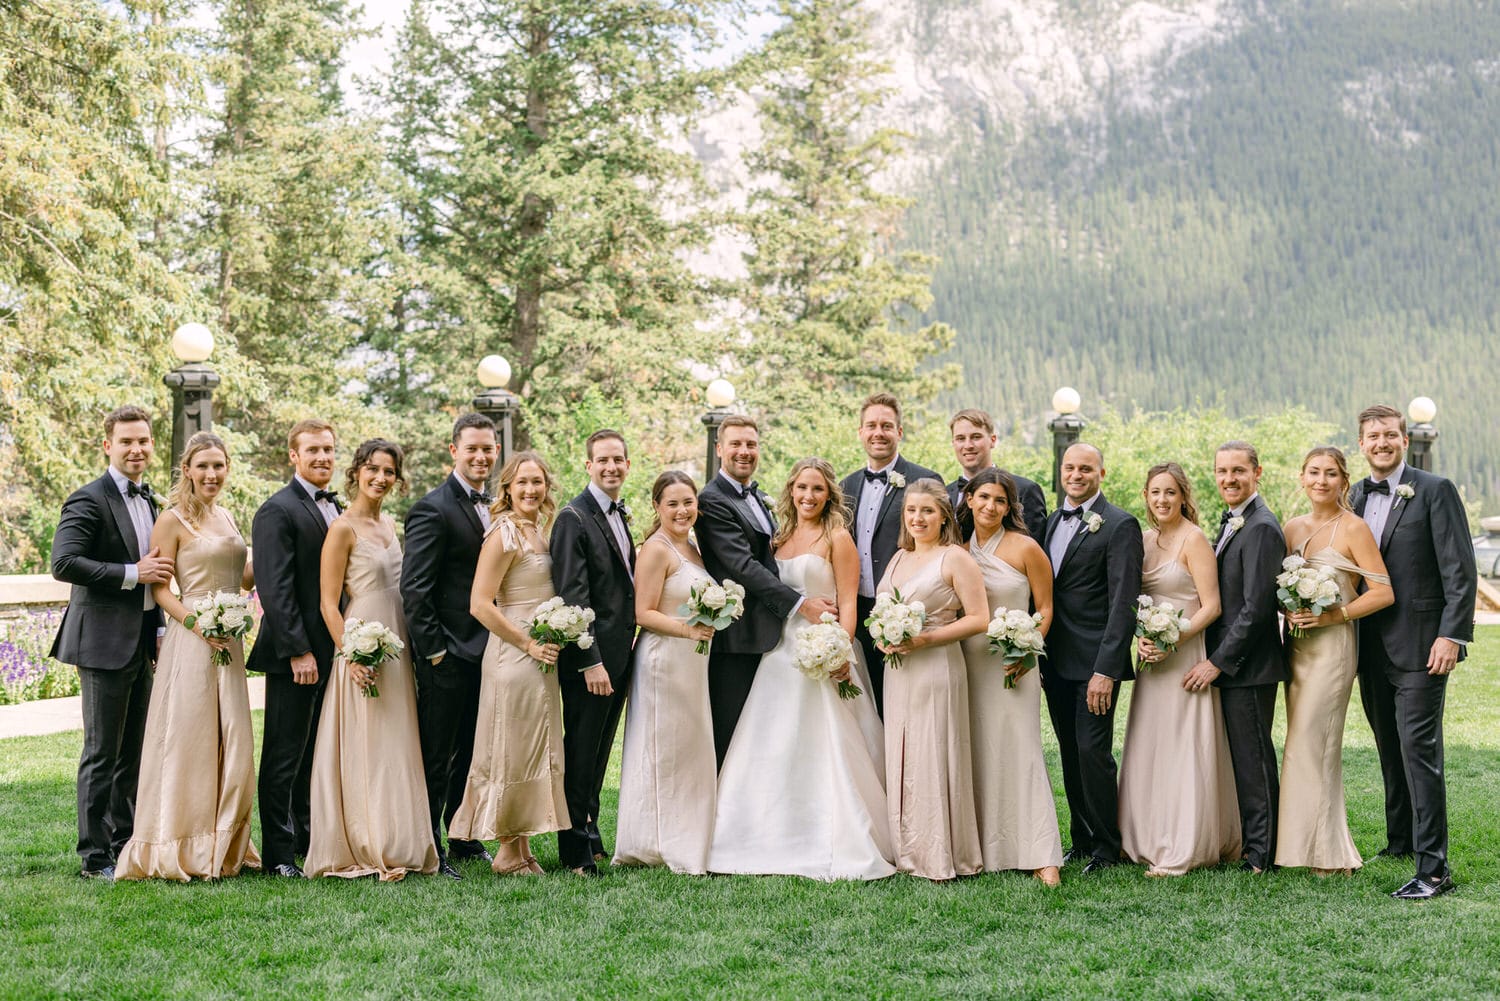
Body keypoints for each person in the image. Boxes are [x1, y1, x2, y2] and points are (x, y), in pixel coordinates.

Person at [709, 458, 894, 880]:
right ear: (790, 491)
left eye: (817, 489)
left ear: (829, 494)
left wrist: (839, 653)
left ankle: (835, 830)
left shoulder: (837, 538)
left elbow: (848, 604)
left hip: (825, 648)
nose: (808, 496)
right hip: (780, 649)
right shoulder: (780, 538)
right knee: (771, 740)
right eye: (801, 488)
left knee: (829, 742)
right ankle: (758, 833)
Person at [116, 432, 260, 880]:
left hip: (230, 639)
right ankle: (183, 841)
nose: (212, 474)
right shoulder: (172, 520)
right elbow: (160, 589)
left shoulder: (230, 517)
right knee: (192, 738)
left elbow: (245, 579)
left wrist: (278, 553)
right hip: (192, 637)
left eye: (219, 466)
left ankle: (226, 839)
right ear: (188, 470)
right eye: (203, 466)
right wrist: (199, 626)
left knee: (233, 738)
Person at [1351, 404, 1478, 900]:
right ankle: (1400, 840)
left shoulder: (1435, 490)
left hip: (1424, 645)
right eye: (1372, 437)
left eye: (1389, 435)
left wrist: (1453, 635)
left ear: (1405, 440)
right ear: (1360, 443)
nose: (1381, 444)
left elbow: (1459, 569)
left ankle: (1434, 869)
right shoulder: (1356, 494)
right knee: (1388, 747)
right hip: (1369, 647)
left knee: (1419, 753)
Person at [305, 440, 438, 881]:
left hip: (396, 638)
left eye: (389, 472)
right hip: (363, 639)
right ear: (357, 471)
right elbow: (328, 603)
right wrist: (351, 654)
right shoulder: (342, 529)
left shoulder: (389, 526)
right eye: (373, 469)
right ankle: (368, 841)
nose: (381, 478)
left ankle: (401, 839)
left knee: (396, 740)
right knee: (367, 741)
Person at [50, 406, 168, 881]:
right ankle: (93, 856)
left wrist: (157, 627)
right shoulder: (88, 498)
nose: (136, 449)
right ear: (108, 446)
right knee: (102, 751)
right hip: (101, 643)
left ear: (152, 445)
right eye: (126, 442)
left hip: (141, 640)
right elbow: (64, 563)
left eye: (143, 441)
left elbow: (156, 573)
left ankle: (124, 844)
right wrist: (130, 574)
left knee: (133, 751)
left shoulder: (153, 501)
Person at [449, 452, 570, 876]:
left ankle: (521, 847)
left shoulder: (539, 531)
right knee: (509, 746)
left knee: (530, 748)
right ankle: (505, 849)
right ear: (507, 489)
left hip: (543, 652)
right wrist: (527, 643)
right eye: (522, 483)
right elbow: (480, 604)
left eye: (537, 482)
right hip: (513, 651)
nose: (530, 490)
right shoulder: (502, 534)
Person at [1118, 463, 1240, 876]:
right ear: (1146, 496)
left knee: (1182, 746)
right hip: (1151, 658)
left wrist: (1174, 639)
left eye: (1170, 492)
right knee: (1150, 745)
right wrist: (1143, 638)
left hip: (1185, 655)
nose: (1162, 500)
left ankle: (1182, 844)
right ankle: (1142, 838)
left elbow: (1212, 606)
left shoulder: (1195, 539)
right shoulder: (1145, 539)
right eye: (1155, 492)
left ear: (1183, 496)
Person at [1277, 446, 1394, 875]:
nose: (1321, 480)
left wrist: (1336, 614)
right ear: (1302, 478)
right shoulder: (1291, 528)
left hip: (1333, 648)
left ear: (1344, 482)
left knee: (1317, 744)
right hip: (1298, 647)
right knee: (1297, 744)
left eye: (1331, 474)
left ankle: (1329, 854)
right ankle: (1296, 848)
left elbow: (1383, 591)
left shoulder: (1354, 528)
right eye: (1314, 472)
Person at [696, 416, 836, 766]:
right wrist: (802, 604)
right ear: (719, 449)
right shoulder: (713, 501)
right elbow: (742, 566)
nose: (744, 452)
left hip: (770, 636)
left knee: (764, 735)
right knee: (732, 735)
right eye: (736, 444)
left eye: (751, 444)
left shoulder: (757, 495)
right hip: (738, 638)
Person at [1182, 441, 1288, 875]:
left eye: (1238, 471)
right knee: (1240, 758)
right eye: (1222, 471)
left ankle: (1262, 854)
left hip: (1249, 666)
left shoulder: (1262, 526)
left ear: (1257, 473)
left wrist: (1218, 662)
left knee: (1254, 759)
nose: (1229, 479)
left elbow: (1257, 607)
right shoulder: (1235, 522)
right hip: (1234, 663)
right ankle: (1249, 841)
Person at [875, 479, 988, 881]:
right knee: (902, 750)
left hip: (937, 664)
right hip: (899, 669)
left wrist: (925, 638)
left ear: (943, 516)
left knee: (932, 749)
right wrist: (884, 635)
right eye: (911, 511)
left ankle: (941, 852)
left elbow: (978, 619)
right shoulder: (898, 558)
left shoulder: (954, 558)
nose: (917, 518)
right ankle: (907, 846)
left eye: (927, 511)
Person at [401, 413, 498, 879]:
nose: (481, 456)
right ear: (453, 451)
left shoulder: (497, 506)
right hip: (448, 654)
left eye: (488, 449)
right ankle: (429, 845)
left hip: (489, 652)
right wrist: (435, 651)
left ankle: (461, 835)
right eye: (473, 449)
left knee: (472, 750)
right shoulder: (432, 508)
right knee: (435, 755)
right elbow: (415, 588)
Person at [1040, 443, 1143, 874]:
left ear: (1102, 472)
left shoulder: (1120, 525)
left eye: (1086, 468)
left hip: (1095, 663)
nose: (1076, 474)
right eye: (1070, 467)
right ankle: (1081, 839)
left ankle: (1107, 847)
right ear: (1061, 471)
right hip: (1056, 662)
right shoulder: (1049, 522)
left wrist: (1106, 668)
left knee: (1092, 751)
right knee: (1068, 750)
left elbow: (1124, 603)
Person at [957, 468, 1063, 885]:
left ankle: (1040, 852)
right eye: (983, 497)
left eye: (1000, 501)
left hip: (1013, 666)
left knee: (1021, 752)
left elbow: (1047, 608)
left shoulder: (1026, 548)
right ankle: (983, 845)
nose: (990, 506)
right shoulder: (955, 550)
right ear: (968, 500)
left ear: (1010, 507)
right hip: (967, 663)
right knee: (976, 750)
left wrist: (1028, 649)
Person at [614, 471, 718, 874]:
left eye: (688, 502)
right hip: (663, 660)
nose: (682, 510)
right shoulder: (656, 550)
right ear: (657, 507)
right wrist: (688, 629)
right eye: (672, 503)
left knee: (687, 747)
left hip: (692, 660)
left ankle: (687, 832)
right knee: (663, 748)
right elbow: (643, 612)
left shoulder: (692, 547)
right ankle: (656, 842)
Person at [250, 417, 341, 879]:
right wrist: (297, 651)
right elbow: (274, 588)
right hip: (296, 654)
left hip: (333, 650)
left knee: (313, 752)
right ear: (294, 456)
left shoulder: (335, 507)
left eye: (328, 449)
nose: (322, 457)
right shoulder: (276, 510)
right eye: (313, 450)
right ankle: (279, 855)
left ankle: (308, 841)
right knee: (284, 755)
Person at [551, 429, 637, 876]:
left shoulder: (620, 514)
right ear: (588, 465)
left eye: (618, 460)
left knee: (600, 753)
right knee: (581, 752)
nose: (611, 467)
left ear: (627, 464)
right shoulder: (574, 517)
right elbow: (572, 594)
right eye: (602, 460)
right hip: (591, 659)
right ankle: (574, 851)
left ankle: (591, 832)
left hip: (621, 655)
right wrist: (591, 661)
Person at [840, 393, 942, 715]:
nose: (878, 433)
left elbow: (940, 548)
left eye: (886, 426)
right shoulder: (845, 486)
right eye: (871, 425)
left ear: (899, 432)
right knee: (863, 704)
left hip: (905, 613)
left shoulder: (925, 480)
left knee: (904, 704)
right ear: (860, 432)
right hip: (856, 610)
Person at [946, 408, 1048, 542]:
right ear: (953, 443)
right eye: (960, 438)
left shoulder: (1025, 490)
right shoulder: (945, 494)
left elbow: (1036, 548)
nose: (968, 445)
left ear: (992, 440)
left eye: (976, 437)